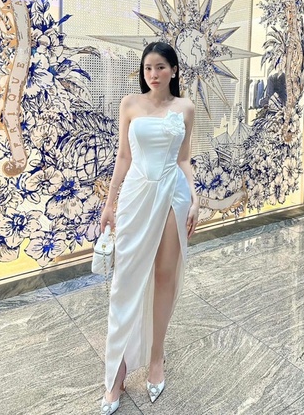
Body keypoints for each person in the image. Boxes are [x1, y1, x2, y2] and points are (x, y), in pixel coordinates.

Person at [99, 41, 199, 414]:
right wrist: (109, 204)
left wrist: (195, 196)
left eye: (159, 67)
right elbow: (123, 156)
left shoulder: (185, 108)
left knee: (164, 276)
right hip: (136, 195)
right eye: (147, 68)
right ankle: (117, 371)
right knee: (125, 280)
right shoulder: (130, 104)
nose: (153, 74)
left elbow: (184, 159)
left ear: (173, 70)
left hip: (173, 195)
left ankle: (156, 357)